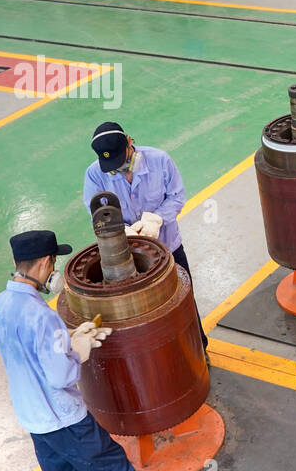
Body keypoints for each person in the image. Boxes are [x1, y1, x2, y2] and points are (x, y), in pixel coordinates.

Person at [0, 230, 188, 471]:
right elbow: (60, 375)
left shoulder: (0, 305)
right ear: (44, 263)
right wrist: (77, 351)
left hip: (32, 415)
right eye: (52, 262)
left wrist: (65, 337)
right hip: (62, 416)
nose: (53, 269)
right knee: (108, 463)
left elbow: (21, 349)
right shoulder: (41, 315)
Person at [83, 121, 206, 350]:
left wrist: (155, 219)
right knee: (142, 315)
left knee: (183, 302)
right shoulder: (95, 175)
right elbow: (97, 215)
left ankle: (199, 349)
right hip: (127, 257)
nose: (120, 170)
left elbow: (177, 197)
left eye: (121, 161)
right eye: (112, 167)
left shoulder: (160, 160)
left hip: (169, 248)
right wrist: (121, 232)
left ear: (130, 143)